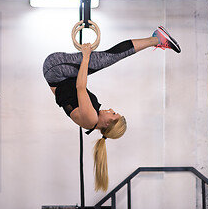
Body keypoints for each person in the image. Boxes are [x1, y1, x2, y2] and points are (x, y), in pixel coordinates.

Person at [43, 26, 181, 191]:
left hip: (56, 70)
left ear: (107, 124)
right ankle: (155, 39)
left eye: (113, 114)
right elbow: (61, 93)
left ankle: (157, 38)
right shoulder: (91, 120)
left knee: (106, 58)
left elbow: (80, 86)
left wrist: (86, 56)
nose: (111, 110)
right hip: (57, 75)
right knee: (105, 59)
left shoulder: (91, 119)